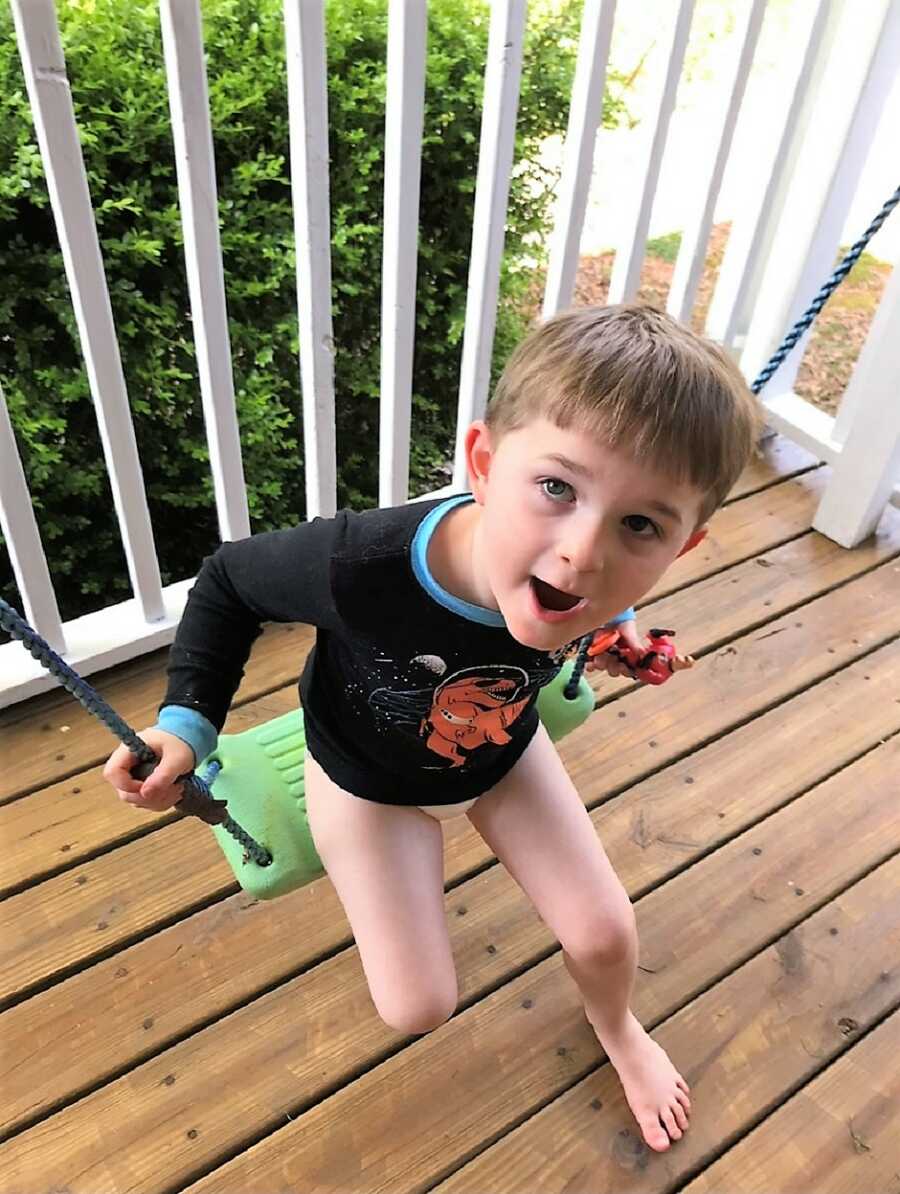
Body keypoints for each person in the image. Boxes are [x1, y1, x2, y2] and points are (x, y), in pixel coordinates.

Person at [104, 303, 764, 1153]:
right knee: (416, 1005)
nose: (581, 554)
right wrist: (186, 728)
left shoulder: (591, 571)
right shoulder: (362, 569)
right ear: (484, 463)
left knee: (606, 931)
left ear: (682, 545)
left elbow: (600, 581)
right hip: (362, 777)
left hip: (498, 751)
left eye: (641, 525)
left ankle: (619, 1028)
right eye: (556, 488)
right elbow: (227, 582)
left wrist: (616, 626)